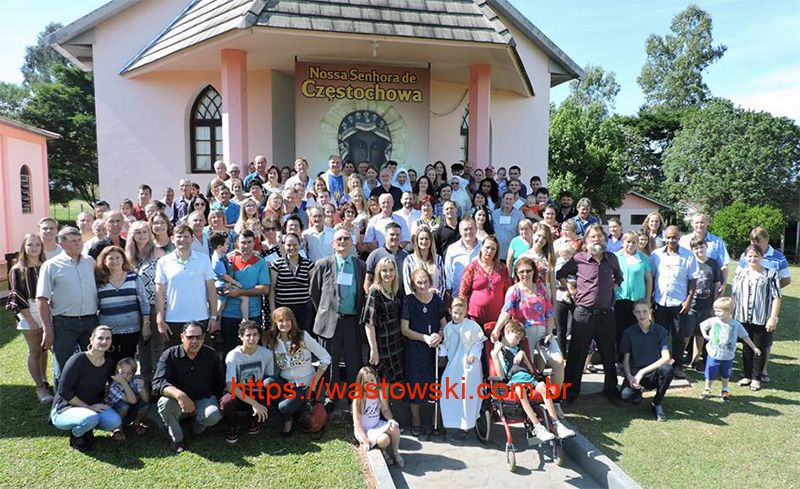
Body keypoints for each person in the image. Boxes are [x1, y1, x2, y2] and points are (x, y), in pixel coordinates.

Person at [556, 224, 623, 404]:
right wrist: (570, 289)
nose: (597, 239)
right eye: (593, 237)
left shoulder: (612, 259)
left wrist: (611, 289)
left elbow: (619, 278)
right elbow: (560, 274)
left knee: (609, 353)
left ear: (605, 240)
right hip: (583, 313)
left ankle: (611, 390)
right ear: (586, 241)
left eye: (600, 237)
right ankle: (570, 392)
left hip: (605, 314)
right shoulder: (578, 259)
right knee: (577, 354)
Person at [491, 258, 565, 413]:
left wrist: (550, 332)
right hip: (525, 334)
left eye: (528, 271)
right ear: (517, 274)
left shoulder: (541, 288)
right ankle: (534, 403)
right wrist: (497, 328)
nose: (525, 274)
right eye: (521, 271)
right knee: (532, 369)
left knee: (558, 363)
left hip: (544, 333)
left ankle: (555, 400)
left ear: (534, 271)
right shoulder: (514, 290)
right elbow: (506, 310)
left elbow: (550, 313)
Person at [491, 321, 575, 441]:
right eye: (516, 338)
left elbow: (531, 371)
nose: (518, 341)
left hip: (529, 378)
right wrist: (495, 355)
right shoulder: (499, 350)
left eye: (520, 339)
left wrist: (523, 354)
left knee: (542, 385)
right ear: (507, 332)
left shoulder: (518, 350)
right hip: (514, 381)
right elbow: (501, 375)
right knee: (520, 390)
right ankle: (537, 426)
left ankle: (556, 424)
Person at [37, 227, 99, 387]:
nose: (78, 244)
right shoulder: (51, 266)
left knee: (92, 361)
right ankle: (61, 404)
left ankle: (89, 398)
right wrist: (47, 329)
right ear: (62, 244)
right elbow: (42, 299)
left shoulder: (90, 262)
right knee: (64, 365)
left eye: (79, 240)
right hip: (64, 323)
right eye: (73, 241)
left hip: (91, 320)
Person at [309, 228, 367, 401]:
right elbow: (314, 292)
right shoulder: (323, 264)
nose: (343, 241)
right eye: (339, 239)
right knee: (330, 363)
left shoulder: (360, 265)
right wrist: (327, 310)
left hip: (352, 321)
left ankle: (353, 399)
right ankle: (330, 400)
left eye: (346, 238)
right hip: (329, 322)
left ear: (352, 242)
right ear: (333, 244)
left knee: (353, 361)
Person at [152, 321, 224, 453]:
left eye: (199, 337)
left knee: (213, 415)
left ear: (203, 338)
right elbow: (158, 382)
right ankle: (177, 438)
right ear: (182, 337)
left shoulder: (211, 355)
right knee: (165, 403)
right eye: (190, 337)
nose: (194, 341)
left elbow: (219, 383)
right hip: (177, 402)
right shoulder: (169, 354)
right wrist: (180, 395)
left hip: (203, 399)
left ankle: (194, 430)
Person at [50, 325, 121, 451]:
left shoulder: (109, 362)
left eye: (108, 338)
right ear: (91, 340)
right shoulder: (77, 360)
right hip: (66, 407)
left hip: (92, 407)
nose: (104, 342)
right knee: (90, 418)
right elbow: (63, 391)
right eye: (100, 338)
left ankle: (86, 427)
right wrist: (88, 408)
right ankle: (77, 434)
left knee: (114, 421)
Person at [264, 307, 331, 436]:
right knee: (268, 382)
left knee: (283, 407)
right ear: (275, 323)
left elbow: (326, 358)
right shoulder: (274, 341)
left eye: (288, 320)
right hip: (286, 384)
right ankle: (289, 414)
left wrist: (314, 383)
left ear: (293, 321)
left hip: (304, 385)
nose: (285, 323)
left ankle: (287, 417)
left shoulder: (303, 336)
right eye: (281, 320)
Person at [739, 226, 791, 383]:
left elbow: (786, 280)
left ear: (766, 240)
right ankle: (749, 374)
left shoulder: (778, 257)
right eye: (752, 241)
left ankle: (761, 371)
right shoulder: (745, 255)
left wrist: (765, 291)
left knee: (764, 343)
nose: (755, 244)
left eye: (758, 241)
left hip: (766, 310)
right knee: (747, 342)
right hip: (746, 310)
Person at [154, 224, 219, 347]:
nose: (183, 240)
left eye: (186, 236)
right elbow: (159, 293)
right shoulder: (163, 262)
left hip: (200, 318)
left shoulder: (204, 259)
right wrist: (160, 319)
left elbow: (211, 290)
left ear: (192, 239)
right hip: (173, 319)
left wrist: (213, 316)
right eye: (179, 236)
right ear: (172, 239)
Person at [6, 233, 53, 403]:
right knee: (34, 350)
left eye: (37, 245)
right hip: (29, 311)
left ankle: (44, 379)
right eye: (30, 245)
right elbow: (17, 296)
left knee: (44, 347)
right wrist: (31, 320)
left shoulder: (47, 266)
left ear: (41, 247)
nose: (34, 248)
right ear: (24, 248)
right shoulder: (17, 269)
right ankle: (40, 387)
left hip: (47, 308)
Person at [401, 269, 445, 440]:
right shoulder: (409, 300)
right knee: (414, 384)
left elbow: (443, 324)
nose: (422, 285)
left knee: (434, 383)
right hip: (414, 348)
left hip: (433, 349)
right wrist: (424, 337)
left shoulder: (436, 300)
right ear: (413, 284)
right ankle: (416, 421)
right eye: (418, 282)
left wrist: (439, 335)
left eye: (425, 282)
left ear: (430, 282)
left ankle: (435, 421)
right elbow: (405, 329)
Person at [731, 245, 781, 391]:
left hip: (761, 318)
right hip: (742, 317)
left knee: (759, 347)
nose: (753, 259)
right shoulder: (740, 273)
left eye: (756, 256)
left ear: (762, 256)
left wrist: (773, 317)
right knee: (746, 346)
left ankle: (756, 378)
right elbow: (734, 295)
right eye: (750, 256)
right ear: (745, 257)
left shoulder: (770, 274)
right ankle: (747, 375)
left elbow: (776, 297)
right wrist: (731, 314)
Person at [650, 225, 698, 379]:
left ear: (679, 237)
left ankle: (678, 366)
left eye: (674, 237)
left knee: (678, 336)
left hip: (679, 304)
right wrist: (650, 300)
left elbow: (692, 280)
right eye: (668, 237)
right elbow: (651, 277)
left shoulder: (688, 256)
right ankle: (661, 365)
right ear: (664, 237)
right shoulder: (656, 255)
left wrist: (688, 301)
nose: (671, 240)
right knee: (660, 335)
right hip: (660, 302)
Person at [439, 297, 485, 440]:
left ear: (465, 312)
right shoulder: (447, 328)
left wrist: (473, 354)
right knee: (447, 387)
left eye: (460, 313)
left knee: (466, 391)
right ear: (450, 311)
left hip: (469, 364)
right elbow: (446, 347)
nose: (457, 316)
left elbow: (479, 343)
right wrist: (441, 352)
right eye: (454, 313)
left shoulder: (472, 326)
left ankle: (467, 424)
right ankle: (452, 421)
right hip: (454, 364)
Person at [217, 230, 271, 355]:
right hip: (229, 314)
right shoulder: (228, 260)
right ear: (237, 243)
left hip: (252, 314)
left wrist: (240, 292)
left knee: (253, 351)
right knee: (229, 351)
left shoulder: (261, 262)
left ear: (254, 243)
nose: (246, 245)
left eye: (249, 242)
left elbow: (265, 288)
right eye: (243, 242)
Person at [619, 301, 674, 421]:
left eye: (644, 311)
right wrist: (629, 376)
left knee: (667, 369)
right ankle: (638, 392)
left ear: (650, 311)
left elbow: (666, 358)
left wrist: (642, 372)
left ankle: (657, 402)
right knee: (626, 396)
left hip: (654, 373)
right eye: (638, 312)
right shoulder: (629, 332)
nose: (641, 314)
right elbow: (626, 360)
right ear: (634, 313)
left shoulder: (661, 331)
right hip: (635, 374)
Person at [220, 321, 274, 443]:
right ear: (241, 337)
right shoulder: (233, 356)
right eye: (248, 335)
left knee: (271, 389)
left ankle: (253, 421)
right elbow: (230, 386)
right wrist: (254, 404)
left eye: (255, 335)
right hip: (238, 391)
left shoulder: (266, 354)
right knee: (227, 402)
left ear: (259, 336)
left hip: (257, 391)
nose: (252, 338)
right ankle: (233, 425)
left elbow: (269, 377)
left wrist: (261, 401)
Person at [95, 246, 149, 365]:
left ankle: (124, 384)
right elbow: (95, 305)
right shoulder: (99, 281)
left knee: (127, 361)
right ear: (104, 261)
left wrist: (146, 324)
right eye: (111, 258)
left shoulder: (133, 278)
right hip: (108, 331)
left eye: (118, 257)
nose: (115, 261)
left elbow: (144, 302)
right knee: (109, 361)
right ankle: (111, 383)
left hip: (131, 329)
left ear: (123, 259)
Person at [126, 221, 163, 391]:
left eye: (144, 232)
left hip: (155, 305)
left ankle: (158, 384)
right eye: (137, 232)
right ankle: (145, 384)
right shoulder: (128, 256)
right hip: (135, 308)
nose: (141, 236)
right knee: (141, 346)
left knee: (157, 344)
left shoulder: (158, 253)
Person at [700, 297, 760, 401]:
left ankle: (725, 389)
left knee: (726, 373)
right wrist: (705, 335)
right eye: (715, 311)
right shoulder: (714, 321)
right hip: (713, 353)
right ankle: (707, 388)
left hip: (728, 355)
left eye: (719, 311)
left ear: (728, 311)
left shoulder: (735, 325)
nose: (716, 313)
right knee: (710, 371)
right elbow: (702, 325)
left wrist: (754, 348)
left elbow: (745, 336)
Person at [362, 258, 405, 383]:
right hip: (382, 344)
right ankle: (381, 403)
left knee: (393, 380)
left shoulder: (396, 291)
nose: (388, 273)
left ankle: (387, 402)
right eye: (384, 270)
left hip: (396, 342)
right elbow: (369, 324)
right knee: (381, 380)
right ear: (379, 273)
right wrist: (373, 349)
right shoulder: (374, 292)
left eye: (391, 270)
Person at [352, 366, 404, 467]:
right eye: (366, 382)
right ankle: (383, 451)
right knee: (384, 440)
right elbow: (357, 421)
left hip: (377, 425)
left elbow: (385, 410)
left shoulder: (379, 393)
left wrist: (391, 419)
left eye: (372, 380)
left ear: (376, 379)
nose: (370, 384)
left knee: (395, 427)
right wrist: (365, 439)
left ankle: (395, 452)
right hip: (365, 429)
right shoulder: (359, 398)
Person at [613, 231, 653, 357]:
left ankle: (634, 358)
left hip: (638, 301)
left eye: (633, 242)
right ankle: (621, 359)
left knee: (636, 329)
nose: (630, 244)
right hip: (619, 299)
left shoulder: (643, 258)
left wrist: (647, 300)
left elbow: (649, 280)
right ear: (623, 242)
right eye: (628, 241)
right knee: (620, 330)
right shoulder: (615, 256)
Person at [686, 237, 723, 370]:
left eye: (701, 247)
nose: (699, 250)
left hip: (706, 305)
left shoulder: (713, 264)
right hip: (691, 304)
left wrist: (715, 305)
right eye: (696, 248)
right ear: (692, 250)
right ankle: (678, 360)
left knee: (700, 333)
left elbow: (717, 284)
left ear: (706, 247)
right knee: (687, 332)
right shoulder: (690, 262)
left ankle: (696, 359)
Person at [459, 236, 512, 326]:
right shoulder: (471, 268)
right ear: (481, 248)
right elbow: (463, 294)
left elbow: (509, 292)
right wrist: (463, 314)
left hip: (497, 320)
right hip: (474, 319)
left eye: (493, 249)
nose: (490, 251)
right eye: (487, 247)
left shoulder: (502, 268)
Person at [269, 232, 315, 333]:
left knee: (303, 339)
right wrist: (273, 310)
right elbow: (272, 288)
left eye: (295, 245)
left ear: (300, 245)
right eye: (289, 245)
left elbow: (314, 286)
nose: (292, 248)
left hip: (303, 309)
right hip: (282, 309)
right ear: (284, 245)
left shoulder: (308, 264)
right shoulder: (277, 264)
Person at [106, 357, 150, 440]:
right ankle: (117, 428)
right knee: (124, 406)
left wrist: (142, 387)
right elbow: (132, 401)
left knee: (144, 404)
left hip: (128, 413)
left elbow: (146, 399)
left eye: (129, 373)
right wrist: (123, 382)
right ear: (117, 372)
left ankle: (136, 424)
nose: (125, 376)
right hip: (114, 415)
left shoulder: (134, 381)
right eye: (122, 372)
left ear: (133, 374)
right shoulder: (114, 386)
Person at [210, 231, 249, 323]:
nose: (228, 245)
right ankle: (245, 319)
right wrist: (235, 283)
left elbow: (225, 257)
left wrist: (232, 253)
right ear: (219, 247)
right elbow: (223, 275)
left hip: (222, 284)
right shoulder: (217, 261)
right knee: (244, 298)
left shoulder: (219, 255)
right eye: (227, 244)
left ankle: (216, 322)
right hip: (223, 285)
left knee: (222, 305)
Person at [365, 222, 409, 295]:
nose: (395, 237)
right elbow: (367, 280)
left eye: (397, 235)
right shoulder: (375, 254)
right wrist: (370, 297)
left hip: (401, 301)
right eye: (392, 234)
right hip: (381, 301)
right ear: (385, 236)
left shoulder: (405, 256)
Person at [403, 226, 446, 298]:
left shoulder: (438, 259)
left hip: (435, 301)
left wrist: (436, 299)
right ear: (416, 241)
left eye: (427, 239)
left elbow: (442, 283)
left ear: (431, 241)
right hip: (416, 303)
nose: (424, 241)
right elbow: (407, 285)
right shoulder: (409, 260)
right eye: (421, 239)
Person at [444, 218, 481, 299]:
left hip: (478, 295)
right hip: (457, 295)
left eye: (471, 228)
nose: (468, 232)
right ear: (460, 232)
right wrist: (448, 294)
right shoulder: (452, 249)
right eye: (465, 229)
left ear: (476, 229)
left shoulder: (483, 247)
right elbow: (448, 273)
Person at [522, 222, 558, 300]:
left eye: (544, 238)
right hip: (528, 298)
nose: (540, 240)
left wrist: (554, 304)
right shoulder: (524, 257)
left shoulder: (548, 258)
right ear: (533, 234)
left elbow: (552, 283)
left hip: (545, 298)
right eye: (539, 235)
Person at [492, 192, 524, 259]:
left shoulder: (519, 216)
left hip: (511, 253)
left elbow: (521, 236)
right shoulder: (494, 214)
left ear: (514, 201)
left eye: (510, 199)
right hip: (495, 253)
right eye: (506, 199)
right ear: (502, 199)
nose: (508, 201)